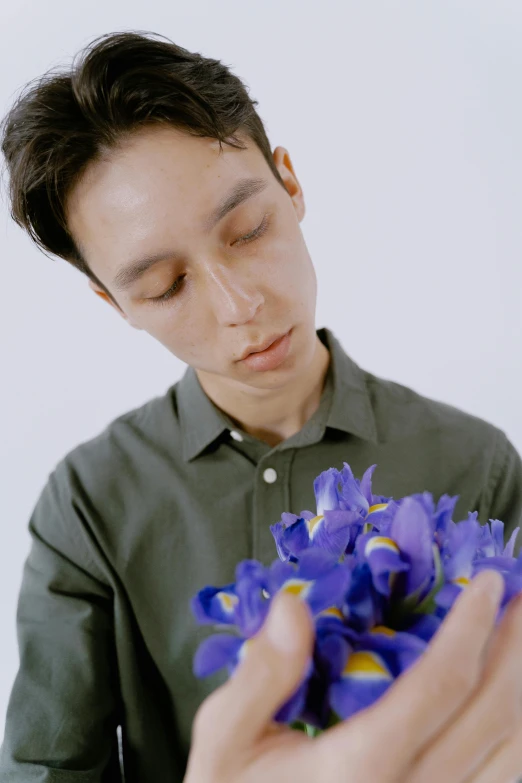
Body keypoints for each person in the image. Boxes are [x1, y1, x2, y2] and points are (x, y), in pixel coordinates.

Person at [0, 29, 521, 782]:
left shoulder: (475, 462)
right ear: (114, 302)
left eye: (248, 230)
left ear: (290, 182)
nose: (240, 303)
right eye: (164, 286)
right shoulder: (87, 505)